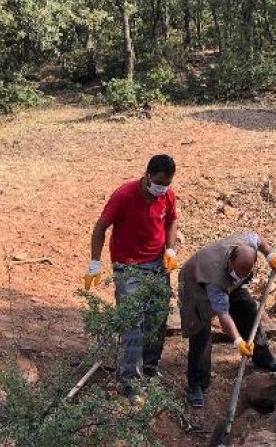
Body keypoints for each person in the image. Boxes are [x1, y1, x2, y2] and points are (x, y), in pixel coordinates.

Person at [85, 154, 179, 396]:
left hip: (158, 264)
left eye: (166, 183)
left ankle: (149, 368)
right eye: (159, 182)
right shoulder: (124, 195)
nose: (162, 188)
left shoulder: (167, 195)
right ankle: (130, 382)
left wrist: (170, 249)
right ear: (147, 175)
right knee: (132, 323)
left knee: (157, 319)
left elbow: (171, 221)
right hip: (128, 267)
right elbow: (99, 228)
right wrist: (95, 263)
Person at [178, 232, 276, 408]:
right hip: (195, 284)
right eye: (238, 272)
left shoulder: (247, 244)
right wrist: (238, 342)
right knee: (200, 331)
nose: (240, 275)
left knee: (248, 310)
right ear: (230, 260)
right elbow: (223, 315)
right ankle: (197, 384)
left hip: (228, 283)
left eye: (245, 273)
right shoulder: (215, 279)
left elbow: (258, 239)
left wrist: (270, 255)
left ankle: (263, 357)